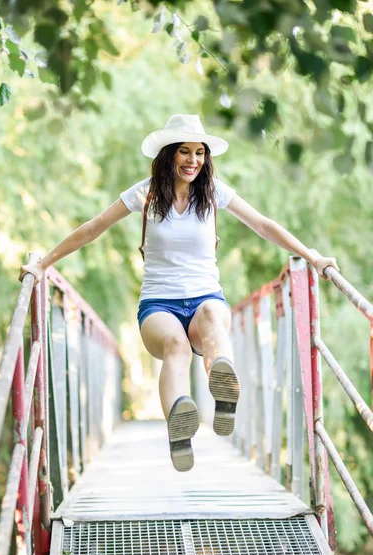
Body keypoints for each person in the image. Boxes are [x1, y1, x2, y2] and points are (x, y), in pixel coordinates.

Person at [20, 114, 339, 473]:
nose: (193, 160)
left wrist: (312, 257)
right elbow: (92, 229)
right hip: (159, 304)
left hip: (206, 298)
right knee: (177, 347)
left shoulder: (214, 192)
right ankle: (180, 430)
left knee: (212, 321)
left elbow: (263, 225)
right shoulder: (145, 193)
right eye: (184, 152)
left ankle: (223, 390)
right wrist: (43, 264)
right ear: (169, 154)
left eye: (199, 153)